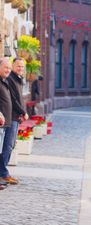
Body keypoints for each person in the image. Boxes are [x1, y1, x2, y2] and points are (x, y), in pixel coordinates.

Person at [0, 58, 28, 185]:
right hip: (7, 118)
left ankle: (4, 173)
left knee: (8, 146)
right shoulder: (10, 79)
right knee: (6, 147)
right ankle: (3, 173)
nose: (20, 69)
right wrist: (23, 111)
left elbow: (17, 99)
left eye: (22, 67)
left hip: (13, 117)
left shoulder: (15, 79)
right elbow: (14, 100)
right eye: (18, 66)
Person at [0, 58, 12, 190]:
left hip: (5, 123)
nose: (8, 70)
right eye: (5, 67)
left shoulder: (5, 82)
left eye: (9, 68)